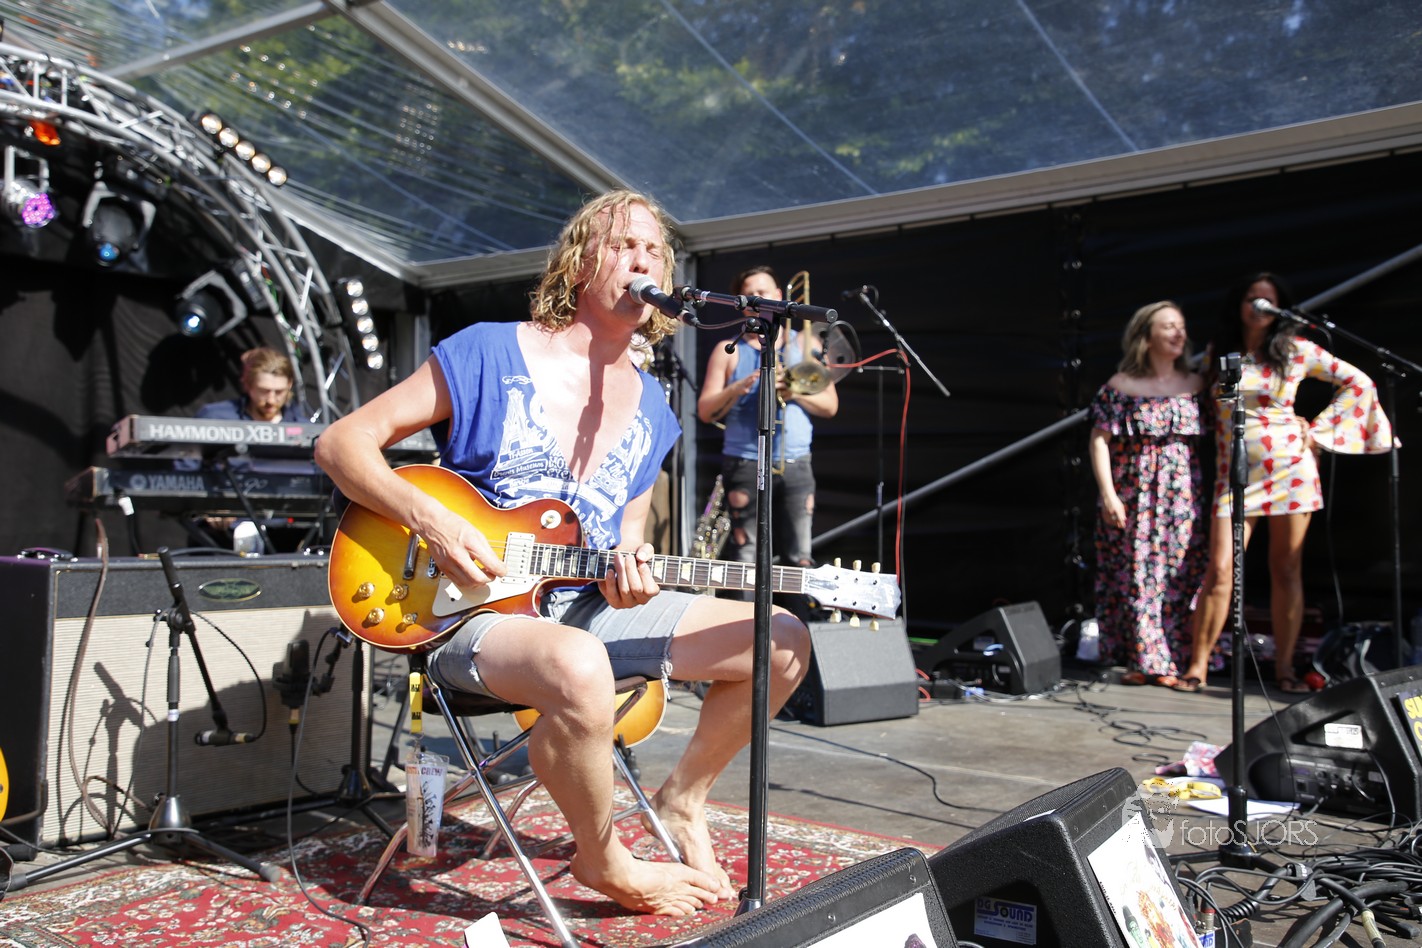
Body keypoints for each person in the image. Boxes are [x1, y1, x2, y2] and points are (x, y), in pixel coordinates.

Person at [313, 190, 812, 916]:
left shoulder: (654, 410)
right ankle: (604, 860)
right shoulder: (487, 351)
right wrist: (434, 522)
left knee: (781, 640)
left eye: (655, 250)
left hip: (580, 608)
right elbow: (341, 443)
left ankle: (682, 800)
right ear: (579, 263)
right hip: (463, 614)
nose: (643, 260)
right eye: (624, 244)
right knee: (580, 665)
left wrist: (631, 573)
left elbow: (626, 540)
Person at [1177, 272, 1393, 694]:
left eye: (1267, 299)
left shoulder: (1297, 349)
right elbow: (1196, 393)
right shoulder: (1219, 351)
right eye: (1251, 298)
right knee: (1220, 570)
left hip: (1290, 470)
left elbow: (1359, 381)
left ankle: (1285, 670)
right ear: (1239, 304)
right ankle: (1196, 665)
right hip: (1234, 474)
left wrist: (1320, 432)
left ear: (1280, 308)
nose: (1258, 306)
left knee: (1286, 568)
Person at [695, 265, 838, 586]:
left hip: (795, 461)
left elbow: (830, 406)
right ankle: (746, 619)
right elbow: (705, 411)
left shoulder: (806, 346)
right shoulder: (729, 350)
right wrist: (738, 387)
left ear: (778, 295)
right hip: (745, 461)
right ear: (742, 304)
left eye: (764, 292)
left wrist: (793, 391)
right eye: (750, 294)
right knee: (746, 555)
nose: (758, 298)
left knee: (799, 555)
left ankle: (795, 618)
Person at [1088, 301, 1206, 688]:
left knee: (1180, 575)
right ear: (1147, 336)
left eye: (1181, 326)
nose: (1178, 333)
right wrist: (1108, 495)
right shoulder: (1121, 386)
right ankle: (1148, 659)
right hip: (1137, 495)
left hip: (1182, 498)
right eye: (1168, 326)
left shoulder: (1196, 384)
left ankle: (1173, 656)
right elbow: (1099, 440)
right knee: (1140, 575)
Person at [196, 346, 302, 423]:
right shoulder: (214, 418)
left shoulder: (302, 426)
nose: (271, 400)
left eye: (279, 392)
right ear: (247, 384)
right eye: (264, 391)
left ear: (289, 384)